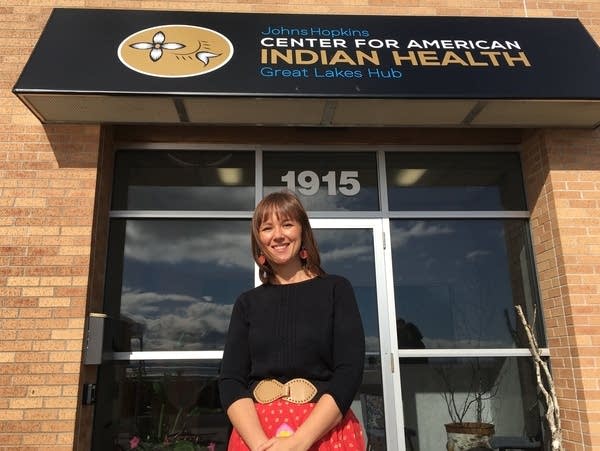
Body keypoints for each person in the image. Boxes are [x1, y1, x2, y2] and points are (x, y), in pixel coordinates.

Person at [219, 191, 366, 451]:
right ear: (259, 241)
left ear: (302, 232)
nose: (278, 235)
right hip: (256, 437)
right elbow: (231, 380)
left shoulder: (336, 290)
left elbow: (349, 372)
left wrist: (299, 442)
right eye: (267, 227)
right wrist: (260, 446)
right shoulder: (246, 303)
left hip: (324, 435)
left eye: (287, 224)